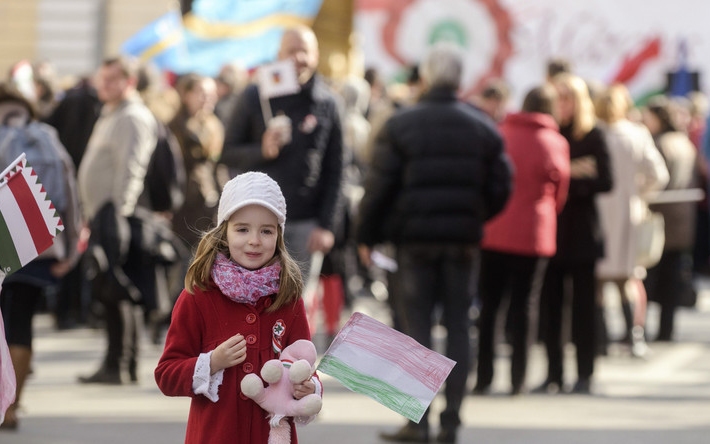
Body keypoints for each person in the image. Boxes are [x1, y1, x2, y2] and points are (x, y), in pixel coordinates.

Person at [356, 42, 512, 443]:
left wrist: (367, 235)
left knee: (416, 330)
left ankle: (418, 422)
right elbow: (502, 186)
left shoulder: (401, 123)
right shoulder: (481, 125)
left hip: (414, 241)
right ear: (460, 79)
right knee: (459, 325)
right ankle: (452, 420)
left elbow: (378, 187)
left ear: (424, 77)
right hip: (461, 241)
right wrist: (474, 217)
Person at [154, 171, 322, 444]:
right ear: (224, 231)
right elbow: (166, 375)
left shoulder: (288, 299)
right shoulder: (198, 296)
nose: (254, 240)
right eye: (242, 229)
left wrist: (308, 386)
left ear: (278, 235)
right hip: (214, 435)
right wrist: (212, 363)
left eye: (266, 230)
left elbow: (304, 363)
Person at [220, 25, 344, 275]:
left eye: (304, 51)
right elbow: (227, 152)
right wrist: (261, 150)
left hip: (304, 222)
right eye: (291, 51)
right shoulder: (256, 95)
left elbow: (337, 168)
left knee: (296, 303)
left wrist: (326, 225)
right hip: (256, 224)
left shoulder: (328, 102)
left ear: (316, 55)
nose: (298, 58)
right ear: (279, 55)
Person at [473, 84, 570, 397]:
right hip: (534, 233)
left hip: (496, 229)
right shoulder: (555, 142)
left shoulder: (501, 132)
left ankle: (484, 376)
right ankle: (518, 378)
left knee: (490, 306)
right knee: (525, 306)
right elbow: (560, 191)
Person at [0, 82, 82, 430]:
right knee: (21, 325)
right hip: (39, 247)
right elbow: (71, 195)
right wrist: (72, 249)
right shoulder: (47, 137)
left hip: (2, 246)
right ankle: (11, 407)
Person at [76, 55, 158, 385]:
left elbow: (131, 169)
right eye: (102, 78)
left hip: (116, 217)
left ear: (129, 81)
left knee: (118, 290)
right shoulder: (111, 113)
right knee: (110, 289)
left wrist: (118, 217)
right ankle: (115, 361)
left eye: (112, 79)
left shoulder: (132, 117)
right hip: (103, 216)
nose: (104, 85)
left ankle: (121, 363)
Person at [535, 73, 613, 395]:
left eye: (567, 98)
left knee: (583, 308)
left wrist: (568, 178)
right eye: (558, 97)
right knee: (551, 308)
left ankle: (585, 373)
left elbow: (606, 181)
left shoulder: (594, 134)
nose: (561, 104)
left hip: (582, 232)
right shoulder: (549, 133)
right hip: (552, 231)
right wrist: (575, 170)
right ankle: (553, 373)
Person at [594, 84, 669, 358]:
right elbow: (658, 174)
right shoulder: (636, 134)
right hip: (627, 210)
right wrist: (639, 193)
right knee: (626, 279)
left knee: (599, 281)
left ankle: (600, 338)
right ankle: (633, 335)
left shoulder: (594, 134)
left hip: (599, 211)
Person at [642, 95, 699, 341]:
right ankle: (667, 329)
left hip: (660, 218)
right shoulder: (683, 142)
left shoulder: (661, 143)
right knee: (672, 280)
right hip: (682, 219)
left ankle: (640, 328)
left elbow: (655, 180)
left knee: (651, 279)